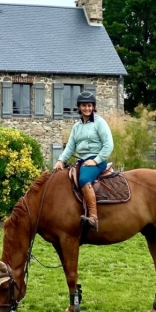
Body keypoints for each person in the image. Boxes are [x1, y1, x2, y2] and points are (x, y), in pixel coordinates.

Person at [52, 91, 113, 231]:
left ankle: (93, 217)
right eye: (84, 105)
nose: (87, 108)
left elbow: (109, 145)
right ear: (79, 107)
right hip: (82, 160)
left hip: (97, 160)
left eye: (89, 105)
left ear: (93, 107)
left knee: (84, 178)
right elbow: (70, 147)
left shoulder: (100, 123)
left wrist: (96, 160)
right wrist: (60, 160)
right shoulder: (76, 126)